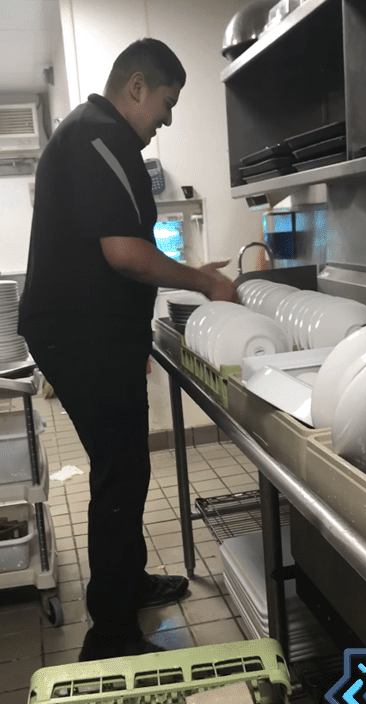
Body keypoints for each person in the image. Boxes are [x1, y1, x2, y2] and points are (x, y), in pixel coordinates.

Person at [18, 38, 239, 661]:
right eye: (167, 102)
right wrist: (207, 281)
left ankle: (128, 584)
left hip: (89, 332)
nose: (168, 117)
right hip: (77, 334)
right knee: (120, 475)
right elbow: (124, 253)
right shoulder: (100, 139)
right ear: (137, 87)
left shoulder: (97, 137)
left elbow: (109, 253)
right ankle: (110, 632)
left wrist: (130, 332)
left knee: (127, 467)